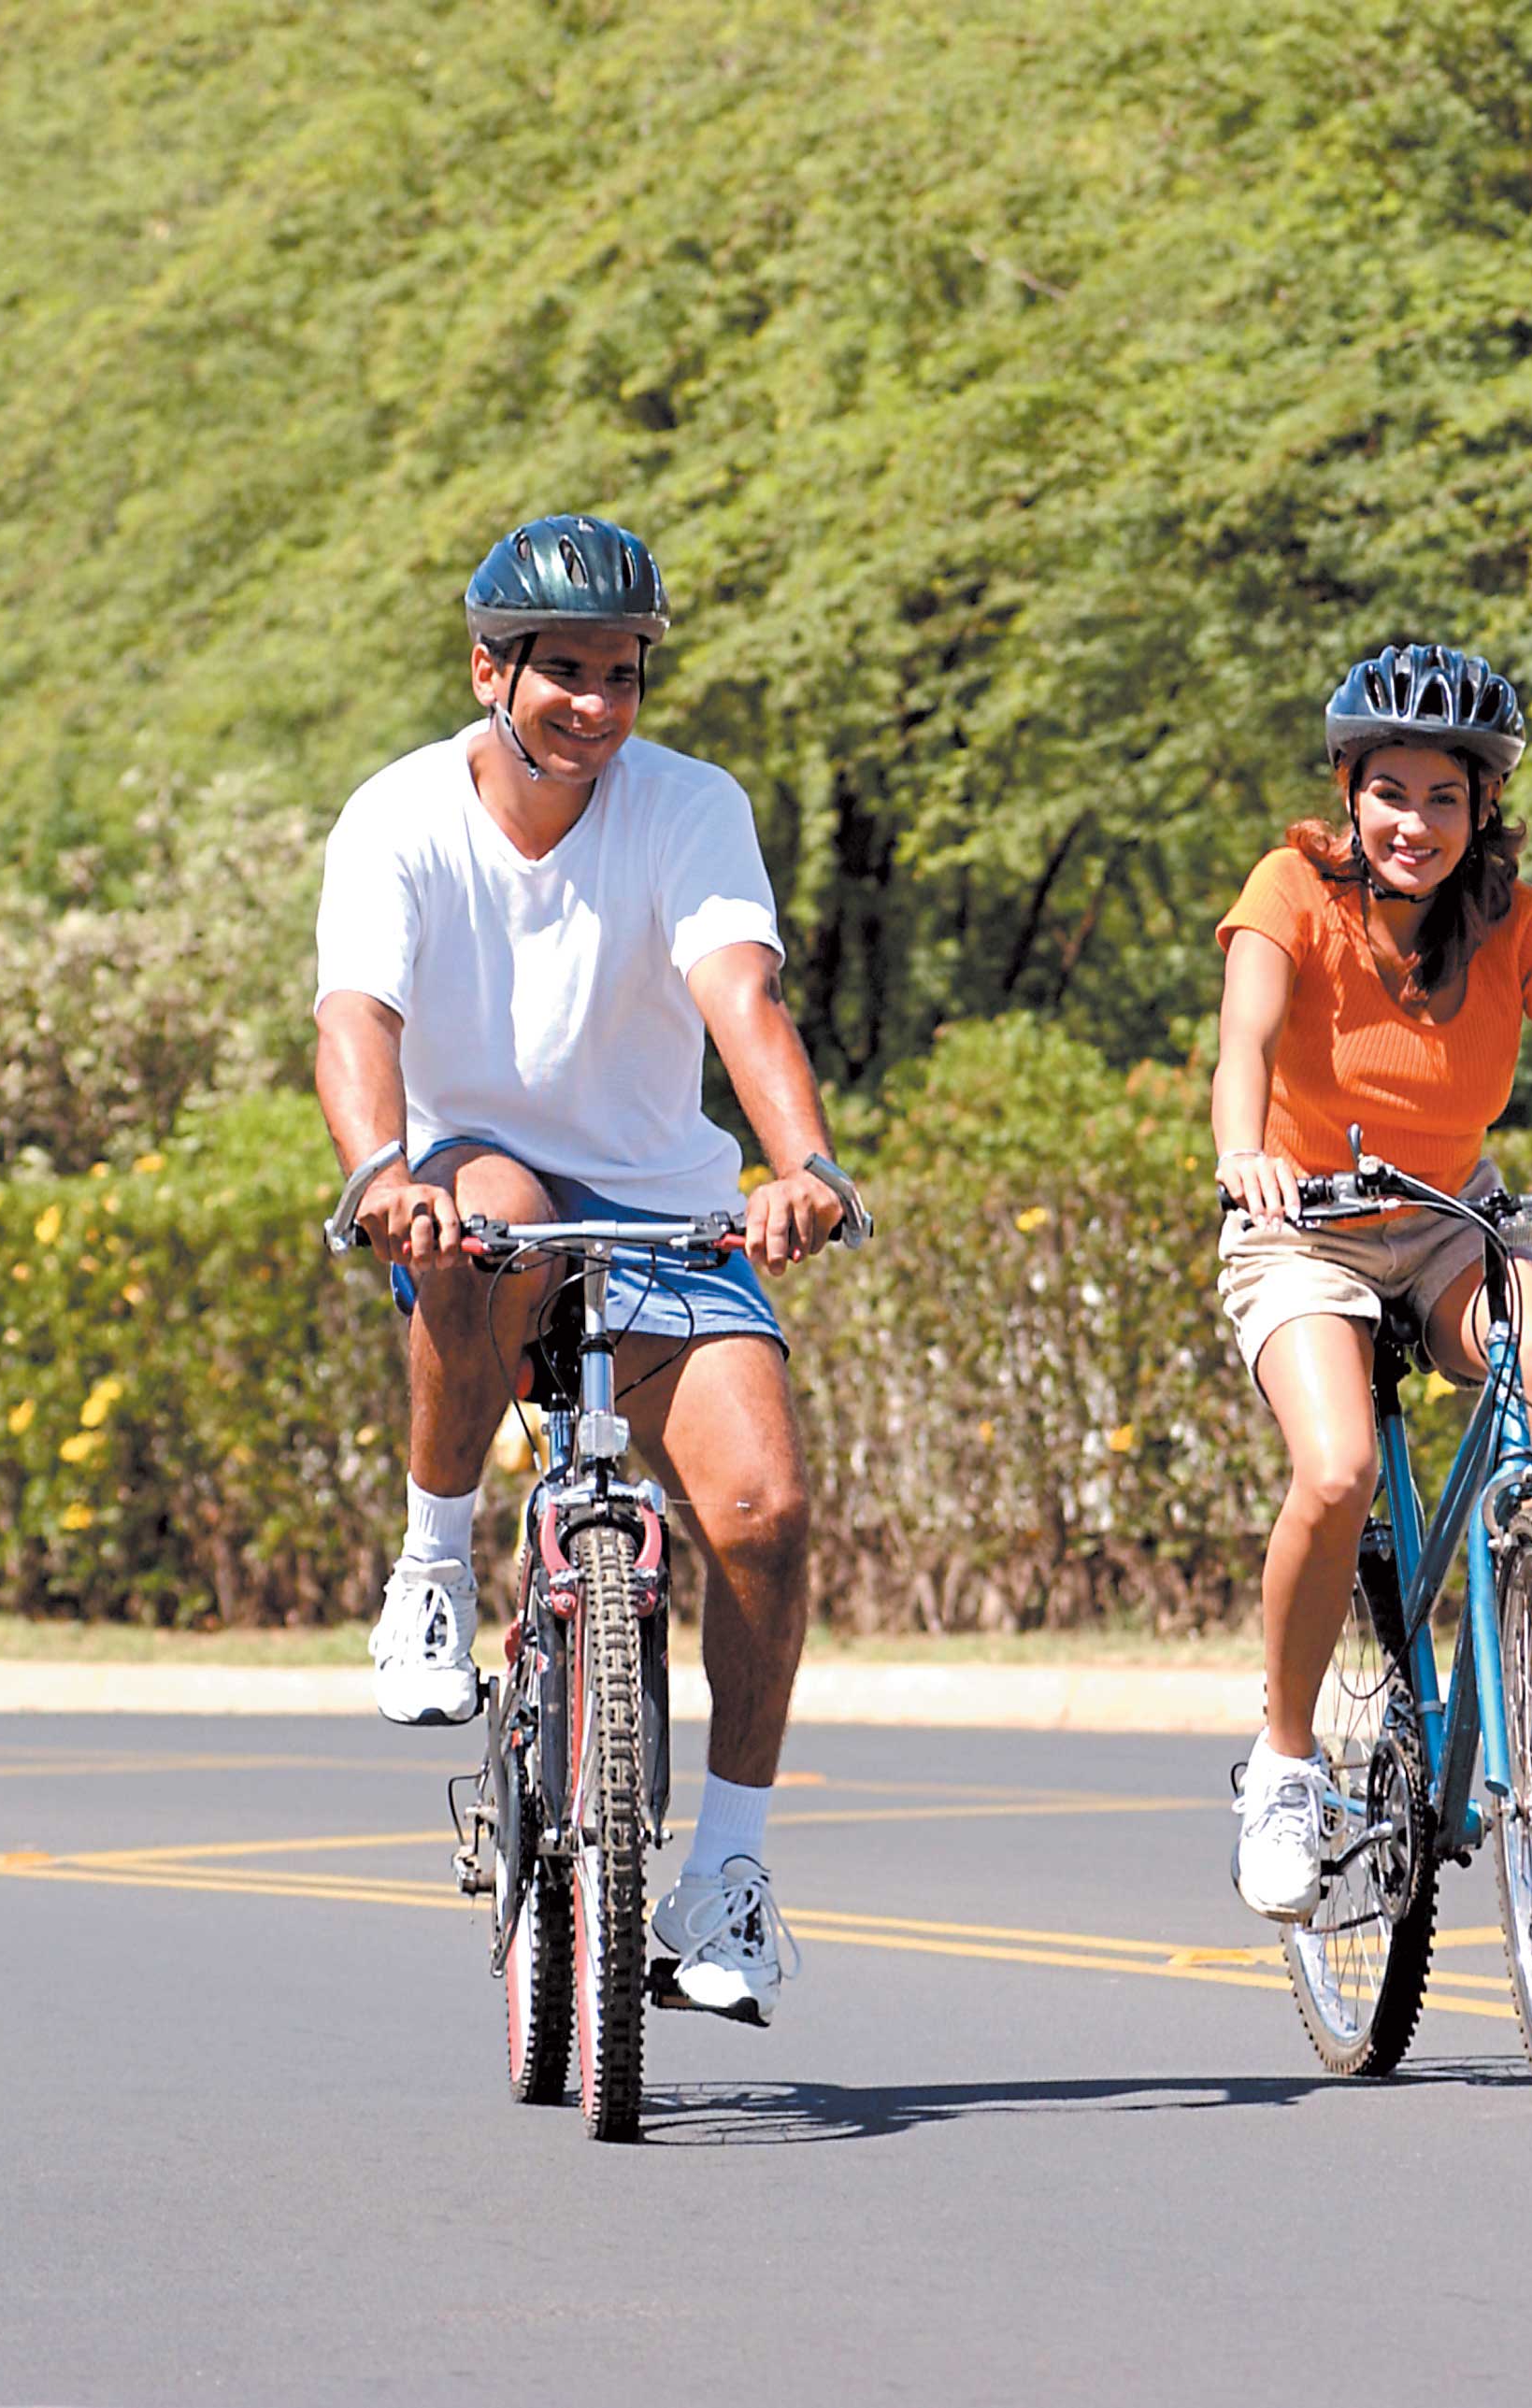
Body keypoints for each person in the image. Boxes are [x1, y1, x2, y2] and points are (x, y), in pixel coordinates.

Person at [312, 512, 860, 2021]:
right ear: (490, 668)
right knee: (479, 1200)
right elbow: (356, 1021)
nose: (599, 707)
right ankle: (433, 1560)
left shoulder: (689, 808)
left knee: (764, 1513)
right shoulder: (399, 816)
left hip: (662, 1203)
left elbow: (737, 992)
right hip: (476, 1182)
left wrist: (800, 1163)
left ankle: (729, 1876)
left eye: (624, 676)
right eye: (566, 674)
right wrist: (377, 1176)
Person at [1210, 643, 1532, 1922]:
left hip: (1442, 1217)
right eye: (1391, 791)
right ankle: (1288, 1766)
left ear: (1481, 811)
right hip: (1300, 1220)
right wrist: (1242, 1151)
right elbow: (1245, 1036)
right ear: (1349, 789)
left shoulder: (1512, 921)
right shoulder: (1290, 891)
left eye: (1444, 797)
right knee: (1338, 1468)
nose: (1415, 822)